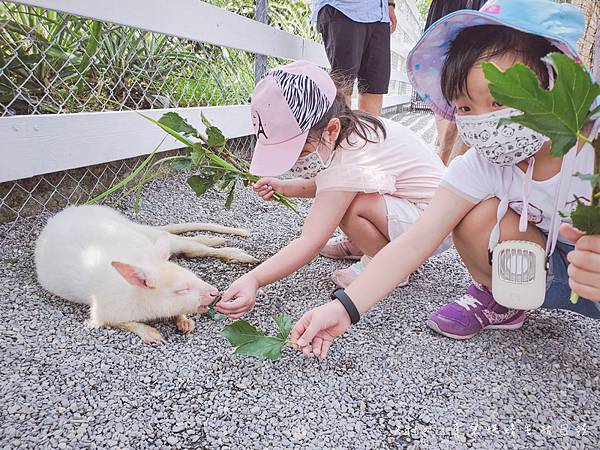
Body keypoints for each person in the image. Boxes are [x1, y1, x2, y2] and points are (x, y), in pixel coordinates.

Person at [291, 0, 600, 359]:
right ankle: (504, 299)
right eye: (466, 108)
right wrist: (344, 309)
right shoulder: (479, 164)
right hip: (545, 274)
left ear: (553, 80)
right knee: (471, 217)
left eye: (499, 100)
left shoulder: (592, 146)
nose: (484, 121)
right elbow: (415, 241)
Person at [215, 60, 449, 319]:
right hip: (424, 214)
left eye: (300, 152)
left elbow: (310, 241)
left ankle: (390, 265)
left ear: (332, 129)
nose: (294, 165)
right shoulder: (349, 134)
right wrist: (285, 187)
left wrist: (254, 280)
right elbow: (328, 185)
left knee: (351, 209)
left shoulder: (349, 159)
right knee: (349, 198)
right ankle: (366, 244)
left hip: (431, 226)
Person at [422, 0, 486, 166]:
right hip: (449, 7)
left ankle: (448, 160)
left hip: (486, 9)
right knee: (444, 74)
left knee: (475, 77)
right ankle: (444, 157)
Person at [312, 1, 397, 116]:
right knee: (343, 86)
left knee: (374, 87)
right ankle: (341, 132)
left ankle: (368, 133)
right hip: (344, 9)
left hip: (380, 14)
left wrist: (390, 5)